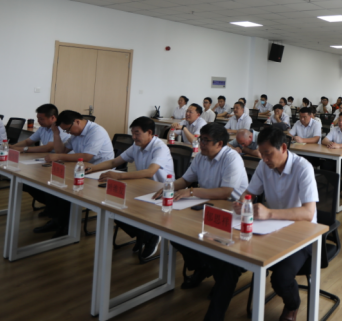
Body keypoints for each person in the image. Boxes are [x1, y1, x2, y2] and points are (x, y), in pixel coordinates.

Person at [228, 126, 319, 321]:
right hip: (272, 228)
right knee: (234, 251)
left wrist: (269, 213)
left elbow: (308, 212)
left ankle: (292, 305)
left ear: (283, 148)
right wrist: (242, 202)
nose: (264, 159)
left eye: (268, 154)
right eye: (261, 154)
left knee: (281, 278)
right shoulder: (264, 166)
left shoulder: (303, 168)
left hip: (302, 234)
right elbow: (250, 193)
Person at [153, 123, 249, 300]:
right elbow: (185, 179)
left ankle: (220, 278)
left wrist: (191, 192)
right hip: (205, 205)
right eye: (200, 139)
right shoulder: (201, 156)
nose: (201, 144)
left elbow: (226, 192)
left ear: (219, 144)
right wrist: (169, 187)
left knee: (211, 244)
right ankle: (202, 267)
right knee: (177, 234)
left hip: (230, 210)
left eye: (206, 140)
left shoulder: (232, 158)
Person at [86, 117, 174, 260]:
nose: (133, 137)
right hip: (141, 188)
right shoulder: (136, 146)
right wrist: (91, 168)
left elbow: (150, 172)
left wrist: (119, 176)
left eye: (137, 133)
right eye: (132, 133)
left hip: (160, 193)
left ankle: (150, 236)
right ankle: (144, 235)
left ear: (149, 132)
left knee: (123, 208)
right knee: (114, 208)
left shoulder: (160, 148)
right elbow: (115, 162)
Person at [39, 110, 114, 237]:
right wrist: (56, 133)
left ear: (77, 122)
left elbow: (87, 156)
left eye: (68, 130)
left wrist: (58, 157)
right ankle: (56, 220)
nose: (68, 133)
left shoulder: (96, 131)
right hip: (82, 170)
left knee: (65, 189)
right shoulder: (76, 133)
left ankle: (65, 227)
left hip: (98, 173)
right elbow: (61, 151)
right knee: (52, 184)